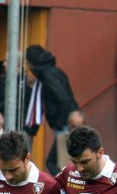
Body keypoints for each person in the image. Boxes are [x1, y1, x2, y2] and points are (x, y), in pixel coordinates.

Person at [24, 45, 80, 175]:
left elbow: (64, 99)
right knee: (59, 162)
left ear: (32, 63)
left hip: (64, 125)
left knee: (56, 162)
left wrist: (59, 122)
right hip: (64, 123)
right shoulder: (50, 73)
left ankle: (66, 186)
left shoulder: (49, 76)